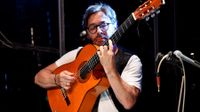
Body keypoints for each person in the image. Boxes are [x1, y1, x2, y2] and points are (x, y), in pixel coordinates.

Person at [34, 2, 142, 112]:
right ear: (88, 33)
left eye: (103, 25)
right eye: (92, 28)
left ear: (115, 25)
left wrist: (110, 69)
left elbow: (129, 102)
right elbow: (39, 77)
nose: (99, 31)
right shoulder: (79, 53)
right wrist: (57, 79)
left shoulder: (130, 60)